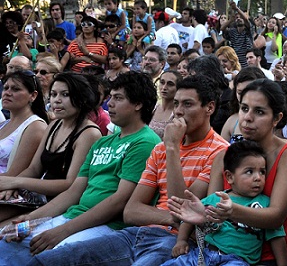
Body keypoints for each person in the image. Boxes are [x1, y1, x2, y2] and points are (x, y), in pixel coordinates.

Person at [26, 75, 230, 266]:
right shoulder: (160, 149)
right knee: (47, 260)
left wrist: (173, 148)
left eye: (188, 104)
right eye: (176, 103)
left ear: (209, 107)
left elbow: (182, 206)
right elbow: (132, 211)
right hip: (137, 232)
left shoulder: (218, 152)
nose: (178, 111)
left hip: (175, 241)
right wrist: (169, 217)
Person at [0, 72, 161, 265]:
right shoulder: (104, 142)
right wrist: (29, 219)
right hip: (71, 216)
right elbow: (74, 191)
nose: (109, 104)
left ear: (138, 104)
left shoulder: (144, 142)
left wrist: (62, 231)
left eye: (118, 98)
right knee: (7, 239)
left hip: (107, 226)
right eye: (111, 97)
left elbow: (119, 201)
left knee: (52, 257)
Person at [206, 79, 287, 265]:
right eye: (244, 109)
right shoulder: (223, 157)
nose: (248, 117)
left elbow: (276, 217)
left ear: (276, 118)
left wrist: (229, 211)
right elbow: (213, 209)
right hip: (228, 250)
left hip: (274, 255)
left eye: (259, 112)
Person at [165, 141, 287, 266]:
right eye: (249, 172)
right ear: (229, 177)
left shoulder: (265, 205)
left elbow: (276, 237)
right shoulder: (216, 198)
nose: (258, 178)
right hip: (204, 253)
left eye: (262, 172)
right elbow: (189, 218)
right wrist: (181, 241)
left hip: (236, 261)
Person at [0, 73, 101, 223]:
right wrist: (11, 186)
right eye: (53, 94)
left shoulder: (89, 133)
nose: (57, 100)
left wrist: (16, 182)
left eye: (65, 94)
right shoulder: (54, 125)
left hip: (56, 204)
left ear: (82, 98)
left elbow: (69, 184)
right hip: (34, 195)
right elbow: (34, 169)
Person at [0, 70, 49, 176]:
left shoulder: (36, 127)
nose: (7, 93)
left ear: (33, 96)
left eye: (16, 89)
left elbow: (14, 175)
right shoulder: (3, 124)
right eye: (5, 88)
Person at [219, 67, 265, 143]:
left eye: (249, 92)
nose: (244, 97)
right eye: (240, 93)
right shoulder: (231, 121)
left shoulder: (269, 120)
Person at [150, 70, 182, 139]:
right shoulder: (153, 108)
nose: (164, 87)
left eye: (170, 84)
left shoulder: (178, 113)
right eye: (162, 82)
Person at [222, 3, 254, 68]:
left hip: (246, 63)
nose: (239, 19)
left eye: (241, 17)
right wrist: (230, 19)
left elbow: (246, 20)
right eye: (237, 18)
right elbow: (222, 28)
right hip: (235, 63)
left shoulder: (248, 30)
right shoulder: (232, 31)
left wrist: (236, 8)